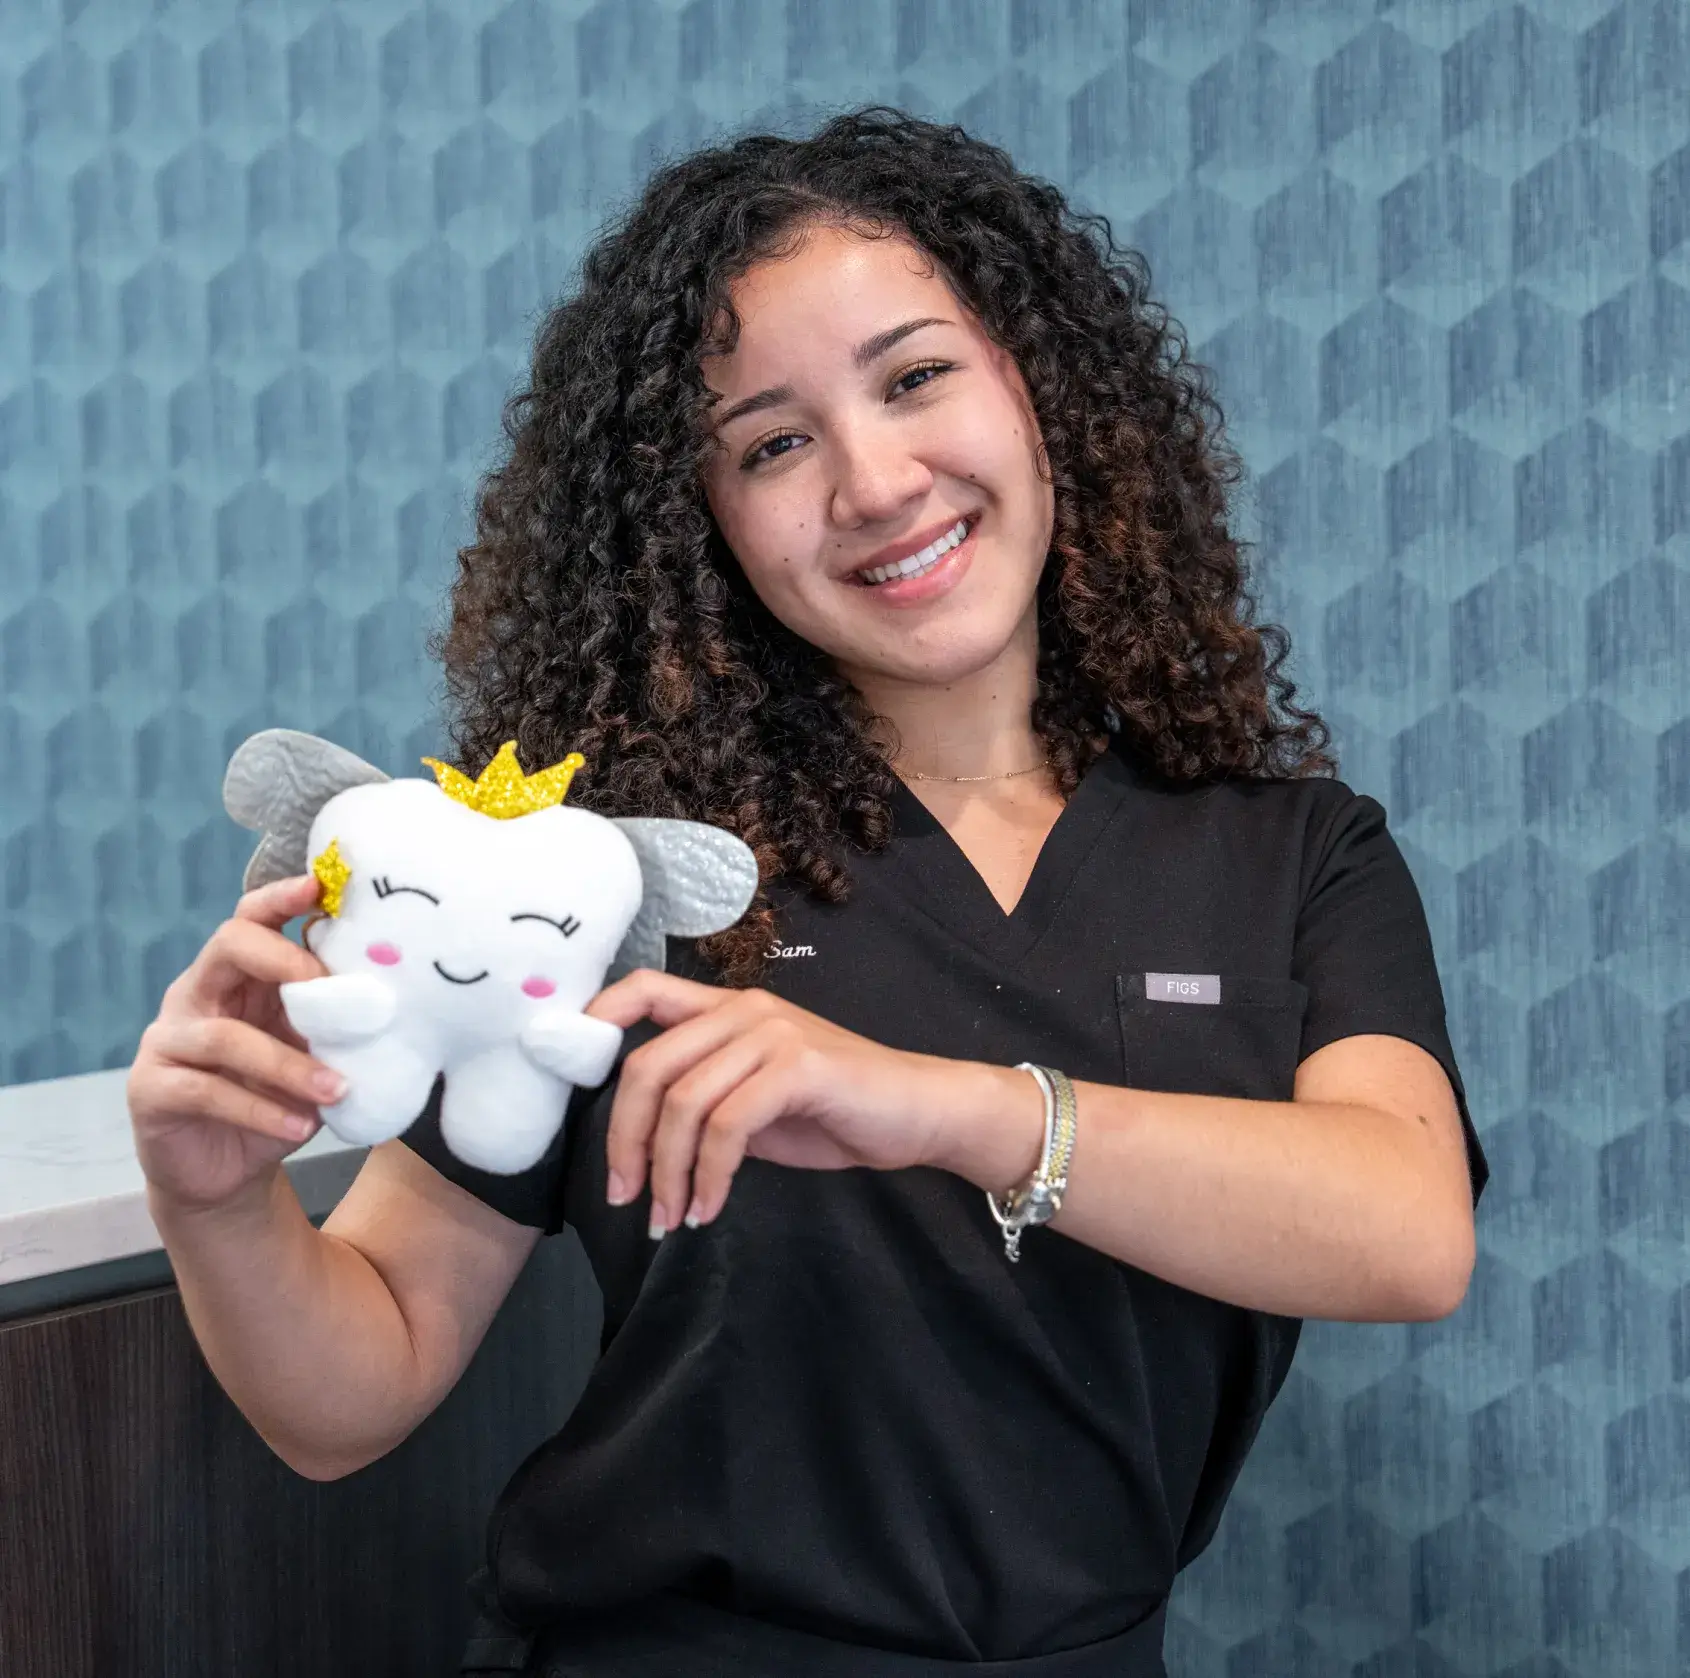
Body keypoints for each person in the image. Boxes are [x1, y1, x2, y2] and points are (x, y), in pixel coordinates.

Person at [127, 108, 1488, 1677]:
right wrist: (213, 1200)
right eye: (772, 443)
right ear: (698, 526)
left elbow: (1405, 1228)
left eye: (915, 377)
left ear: (1041, 385)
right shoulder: (610, 883)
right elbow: (349, 1395)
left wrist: (936, 1105)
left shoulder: (1293, 852)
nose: (872, 480)